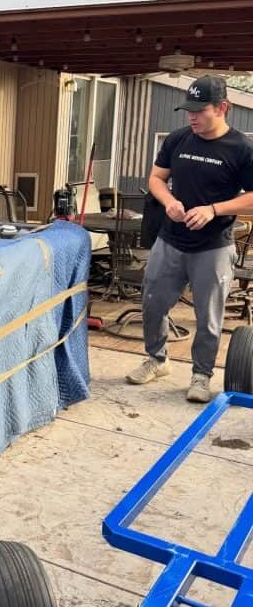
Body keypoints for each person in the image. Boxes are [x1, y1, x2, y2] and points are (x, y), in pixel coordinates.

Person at [126, 76, 253, 401]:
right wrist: (169, 202)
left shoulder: (242, 148)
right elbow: (156, 178)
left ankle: (201, 375)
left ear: (223, 108)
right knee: (153, 304)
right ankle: (157, 359)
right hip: (170, 240)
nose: (192, 117)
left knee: (208, 316)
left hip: (213, 245)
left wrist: (214, 209)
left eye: (200, 111)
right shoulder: (178, 140)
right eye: (189, 111)